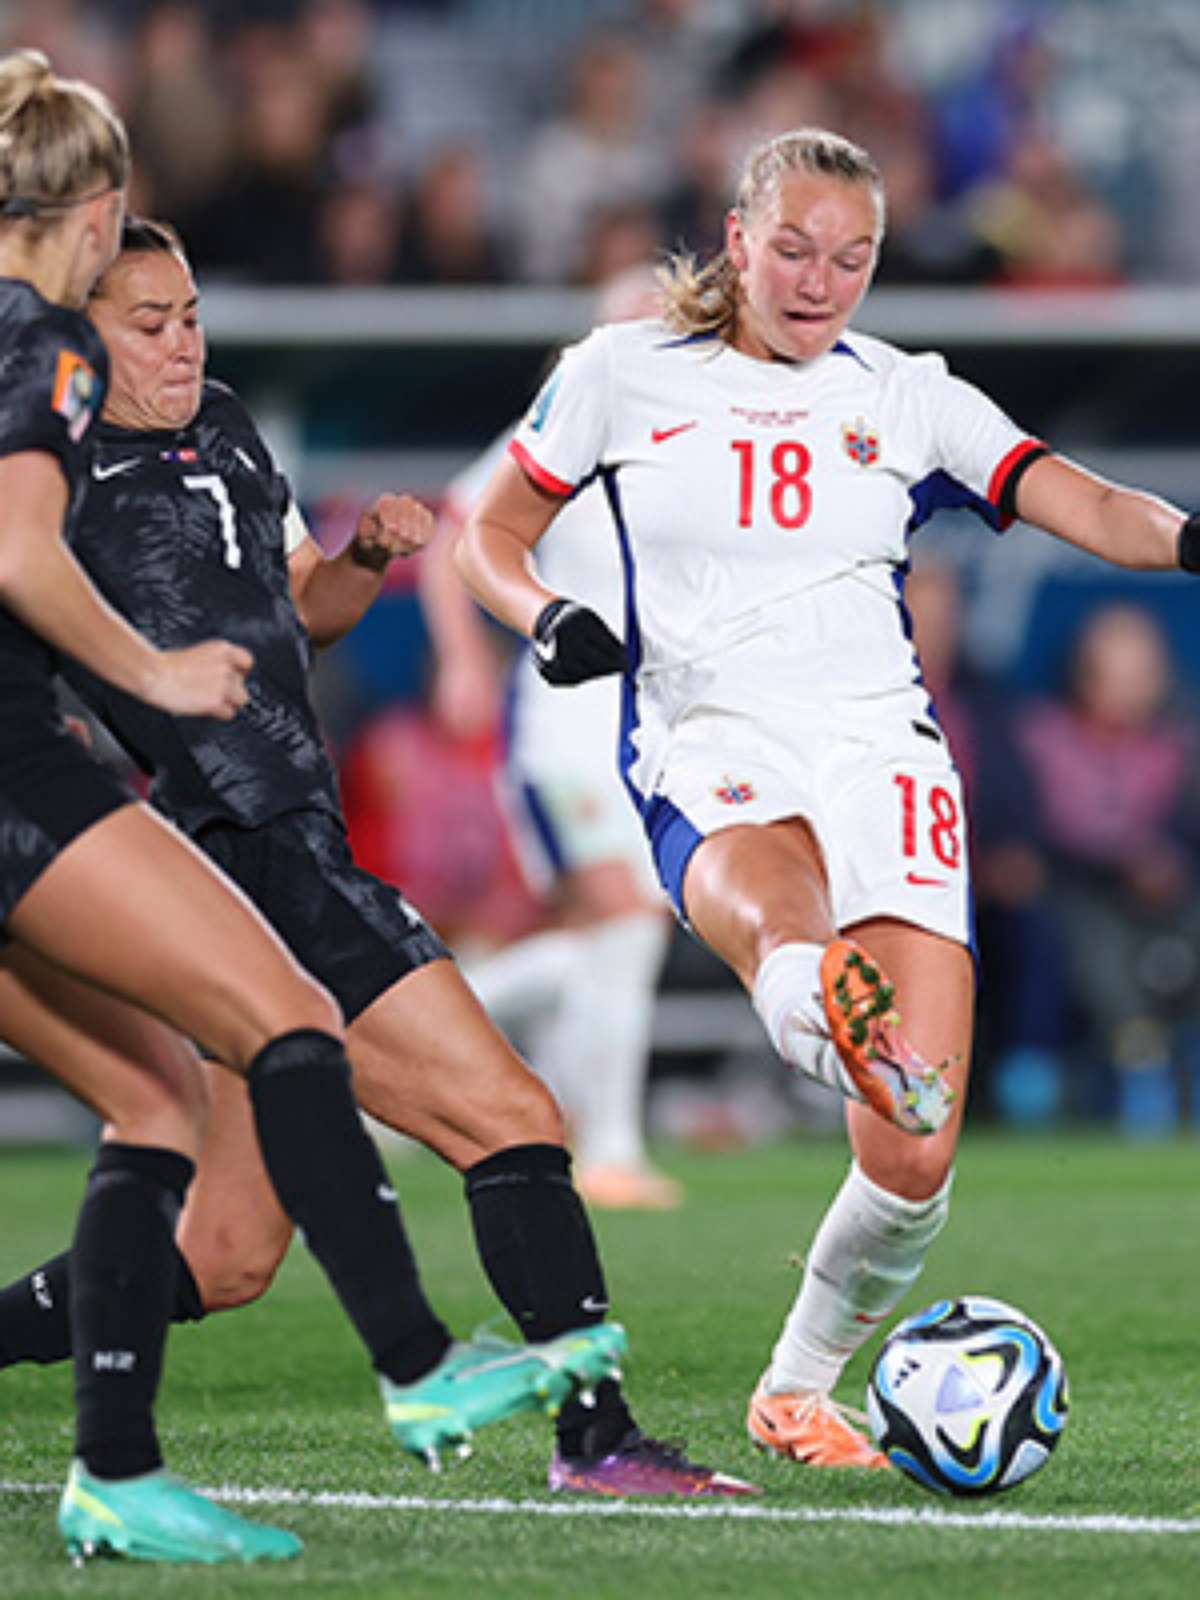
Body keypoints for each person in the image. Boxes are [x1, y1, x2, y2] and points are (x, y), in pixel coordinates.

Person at [454, 125, 1199, 1467]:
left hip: (886, 760)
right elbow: (486, 532)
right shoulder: (620, 373)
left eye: (850, 259)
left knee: (914, 1157)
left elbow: (1079, 501)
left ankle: (795, 1387)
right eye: (791, 249)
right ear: (737, 239)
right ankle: (817, 1000)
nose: (817, 281)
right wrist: (545, 613)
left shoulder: (910, 395)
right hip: (710, 736)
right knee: (786, 928)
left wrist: (1194, 539)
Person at [0, 216, 754, 1502]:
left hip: (287, 831)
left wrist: (360, 560)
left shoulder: (230, 428)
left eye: (191, 315)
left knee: (229, 1252)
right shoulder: (46, 473)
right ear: (79, 333)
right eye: (147, 322)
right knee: (511, 1115)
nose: (181, 344)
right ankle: (597, 1438)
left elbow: (299, 609)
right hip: (230, 851)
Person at [422, 264, 679, 1212]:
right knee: (625, 921)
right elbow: (461, 528)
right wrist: (462, 659)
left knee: (601, 940)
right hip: (566, 724)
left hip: (652, 730)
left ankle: (397, 1044)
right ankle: (609, 1145)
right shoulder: (566, 419)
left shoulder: (690, 441)